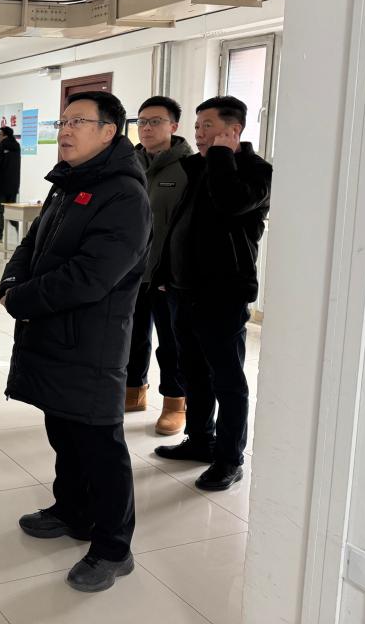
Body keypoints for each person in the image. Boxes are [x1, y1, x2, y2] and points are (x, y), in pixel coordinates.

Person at [0, 91, 151, 593]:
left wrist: (22, 299)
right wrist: (11, 281)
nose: (65, 130)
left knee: (100, 446)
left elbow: (91, 276)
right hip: (53, 334)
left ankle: (113, 548)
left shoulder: (124, 195)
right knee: (63, 431)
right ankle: (73, 512)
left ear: (109, 131)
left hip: (93, 343)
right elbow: (31, 243)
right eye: (62, 122)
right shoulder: (68, 182)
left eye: (78, 121)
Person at [154, 95, 271, 492]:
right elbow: (181, 225)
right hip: (183, 291)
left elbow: (231, 203)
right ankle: (200, 440)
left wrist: (222, 155)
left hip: (222, 294)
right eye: (197, 126)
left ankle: (229, 459)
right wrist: (166, 273)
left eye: (207, 126)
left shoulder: (257, 172)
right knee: (192, 372)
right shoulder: (200, 167)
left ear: (233, 130)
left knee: (227, 379)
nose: (199, 134)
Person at [124, 97, 192, 435]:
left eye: (155, 121)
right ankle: (133, 392)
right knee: (132, 336)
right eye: (142, 122)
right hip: (132, 270)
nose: (147, 128)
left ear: (173, 126)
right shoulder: (128, 164)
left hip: (169, 274)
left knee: (171, 341)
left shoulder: (189, 167)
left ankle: (174, 403)